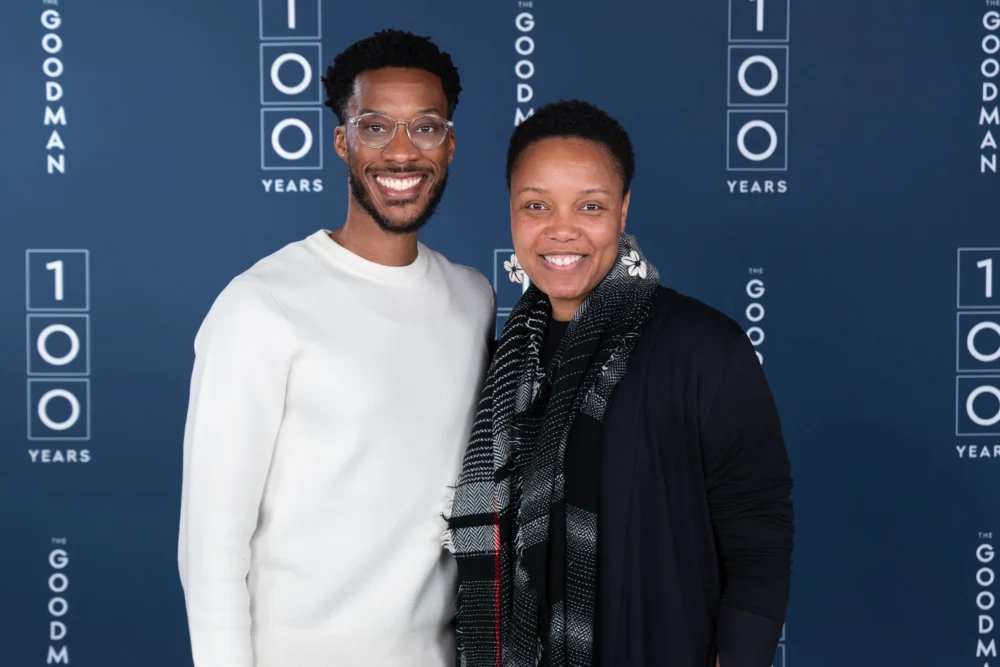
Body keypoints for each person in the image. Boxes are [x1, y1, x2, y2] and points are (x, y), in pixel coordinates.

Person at [177, 30, 495, 667]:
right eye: (375, 127)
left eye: (425, 128)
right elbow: (210, 550)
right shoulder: (261, 306)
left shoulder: (474, 299)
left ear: (451, 144)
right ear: (342, 140)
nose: (402, 153)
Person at [443, 100, 794, 667]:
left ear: (623, 209)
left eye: (590, 205)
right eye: (536, 205)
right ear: (510, 212)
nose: (562, 230)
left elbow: (759, 527)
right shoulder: (502, 360)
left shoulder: (701, 346)